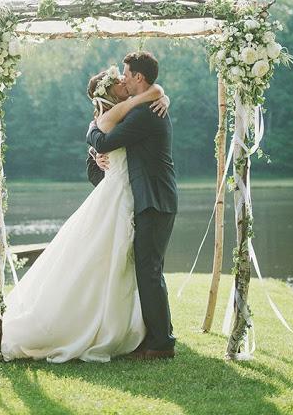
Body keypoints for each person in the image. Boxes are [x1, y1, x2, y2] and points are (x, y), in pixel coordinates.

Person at [0, 65, 167, 364]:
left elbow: (146, 104)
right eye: (119, 82)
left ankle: (136, 329)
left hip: (128, 197)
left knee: (124, 264)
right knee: (102, 261)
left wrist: (160, 95)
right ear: (108, 93)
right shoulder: (111, 117)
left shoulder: (133, 111)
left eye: (126, 78)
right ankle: (96, 327)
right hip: (115, 197)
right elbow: (101, 141)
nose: (124, 82)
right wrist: (98, 149)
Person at [87, 51, 178, 360]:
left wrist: (91, 129)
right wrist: (158, 92)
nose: (123, 78)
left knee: (149, 270)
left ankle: (161, 344)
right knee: (150, 269)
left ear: (139, 77)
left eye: (126, 73)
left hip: (154, 199)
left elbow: (102, 141)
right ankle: (155, 336)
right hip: (151, 199)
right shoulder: (143, 107)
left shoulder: (145, 113)